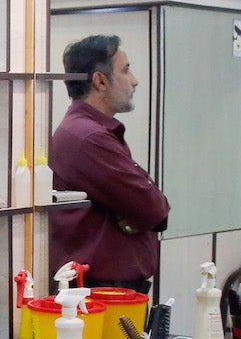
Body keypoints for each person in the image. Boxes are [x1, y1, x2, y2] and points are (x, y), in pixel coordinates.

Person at [49, 35, 167, 292]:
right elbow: (155, 209)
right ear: (100, 81)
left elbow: (149, 207)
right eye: (125, 70)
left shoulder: (90, 132)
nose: (134, 80)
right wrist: (137, 213)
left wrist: (136, 211)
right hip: (102, 293)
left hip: (109, 290)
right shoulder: (89, 138)